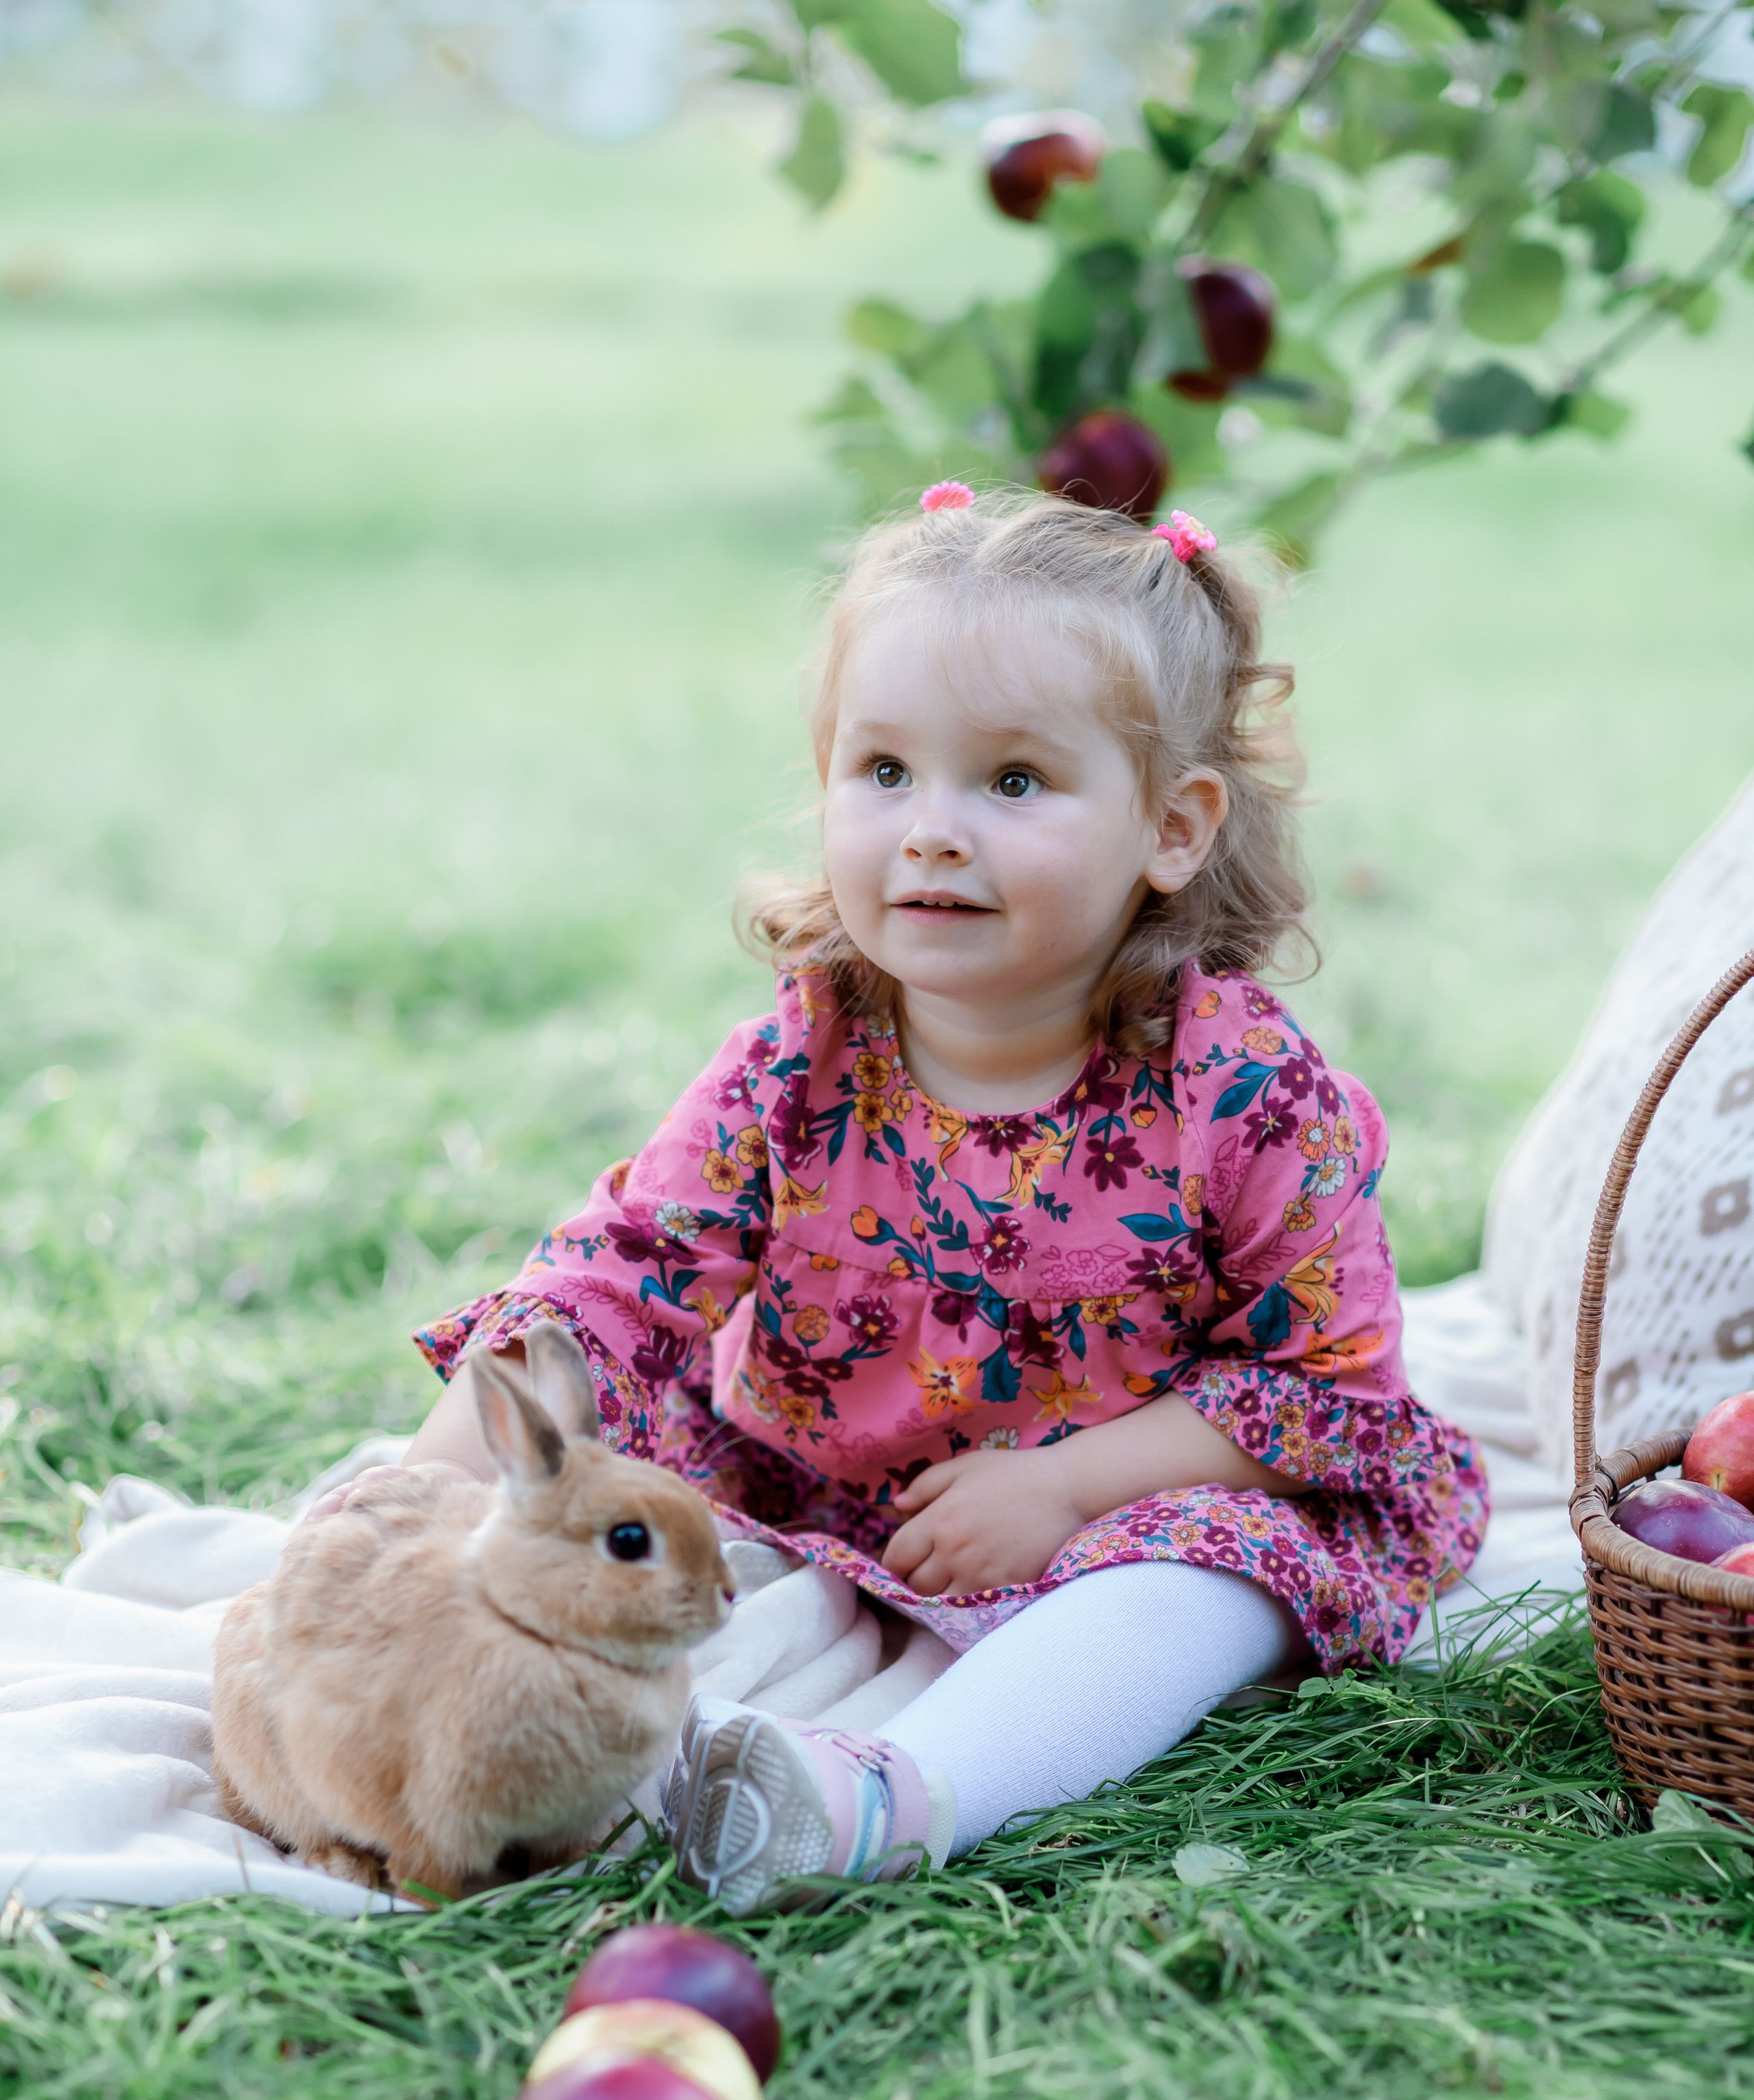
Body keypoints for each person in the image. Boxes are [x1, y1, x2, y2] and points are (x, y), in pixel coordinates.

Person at [396, 486, 1487, 1910]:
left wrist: (1061, 1487)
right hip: (808, 1485)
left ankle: (894, 1792)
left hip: (1123, 1502)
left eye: (1014, 782)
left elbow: (1328, 1391)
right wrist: (422, 1491)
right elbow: (627, 1269)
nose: (931, 832)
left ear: (1171, 826)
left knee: (1218, 1581)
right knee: (574, 1436)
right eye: (885, 771)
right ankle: (390, 1600)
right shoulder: (805, 1051)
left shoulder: (1244, 1093)